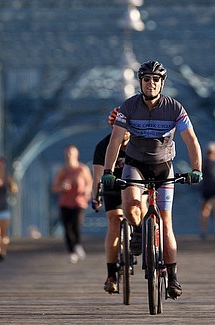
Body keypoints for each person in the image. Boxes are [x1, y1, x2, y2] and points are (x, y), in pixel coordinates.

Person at [102, 60, 203, 299]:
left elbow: (191, 140)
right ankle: (138, 232)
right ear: (140, 82)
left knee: (166, 222)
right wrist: (108, 171)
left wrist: (196, 169)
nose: (151, 83)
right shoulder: (128, 107)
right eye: (146, 79)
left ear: (162, 83)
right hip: (135, 165)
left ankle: (173, 278)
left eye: (156, 79)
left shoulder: (175, 108)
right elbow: (115, 140)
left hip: (162, 167)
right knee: (130, 204)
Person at [91, 108, 131, 293]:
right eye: (118, 128)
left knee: (144, 211)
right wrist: (96, 196)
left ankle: (147, 245)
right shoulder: (103, 146)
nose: (122, 132)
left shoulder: (139, 145)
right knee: (114, 223)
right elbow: (98, 176)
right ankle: (111, 274)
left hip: (135, 188)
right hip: (113, 189)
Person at [52, 144, 92, 264]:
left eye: (71, 153)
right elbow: (54, 187)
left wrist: (86, 190)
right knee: (67, 227)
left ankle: (78, 245)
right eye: (68, 153)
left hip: (79, 202)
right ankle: (71, 251)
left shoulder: (82, 169)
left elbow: (90, 183)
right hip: (65, 202)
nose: (69, 156)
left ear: (76, 155)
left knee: (76, 224)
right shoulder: (62, 170)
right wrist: (62, 187)